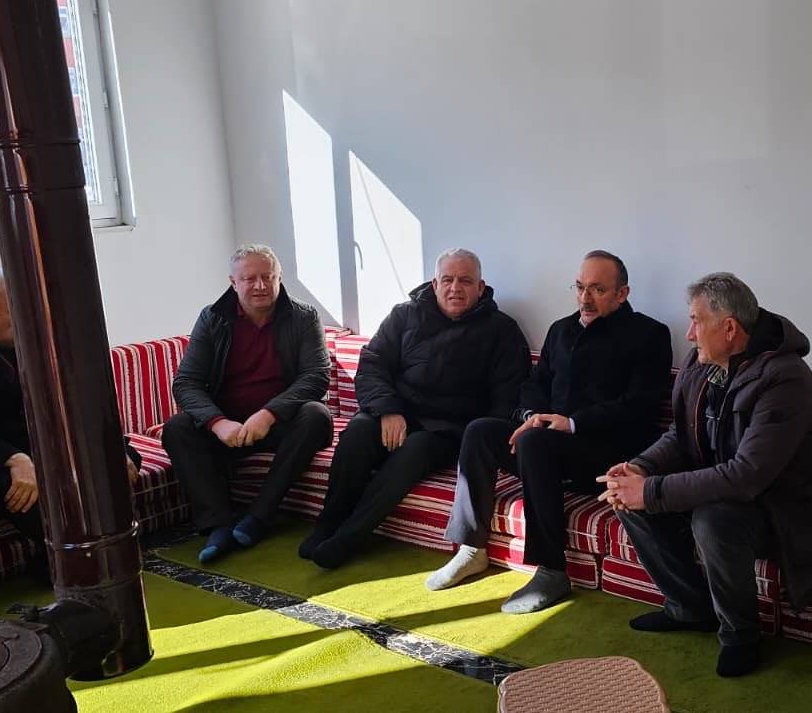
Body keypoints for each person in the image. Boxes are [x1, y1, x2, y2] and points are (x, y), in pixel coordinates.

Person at [599, 272, 812, 678]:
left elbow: (747, 475)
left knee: (711, 518)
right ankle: (689, 608)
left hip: (795, 510)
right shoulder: (702, 362)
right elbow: (680, 435)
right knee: (626, 499)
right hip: (740, 496)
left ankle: (740, 636)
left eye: (695, 322)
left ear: (730, 328)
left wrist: (650, 490)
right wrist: (639, 468)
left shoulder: (785, 378)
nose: (689, 335)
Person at [426, 251, 673, 613]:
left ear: (622, 294)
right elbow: (534, 384)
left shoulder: (649, 335)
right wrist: (532, 415)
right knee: (480, 431)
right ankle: (471, 548)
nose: (585, 298)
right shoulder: (561, 330)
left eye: (598, 289)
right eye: (580, 287)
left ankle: (551, 570)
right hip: (546, 449)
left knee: (536, 442)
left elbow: (640, 407)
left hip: (607, 456)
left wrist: (571, 423)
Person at [301, 248, 531, 569]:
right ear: (434, 284)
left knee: (415, 449)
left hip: (449, 432)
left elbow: (506, 398)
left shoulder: (502, 331)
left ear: (480, 288)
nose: (455, 288)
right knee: (358, 430)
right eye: (447, 280)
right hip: (397, 413)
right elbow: (372, 365)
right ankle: (328, 524)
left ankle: (350, 538)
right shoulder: (404, 315)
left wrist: (478, 443)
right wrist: (387, 409)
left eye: (465, 281)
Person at [0, 269, 141, 576]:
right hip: (0, 456)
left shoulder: (46, 342)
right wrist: (13, 458)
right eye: (16, 307)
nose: (30, 315)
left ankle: (108, 547)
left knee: (121, 460)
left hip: (54, 447)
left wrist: (113, 446)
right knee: (16, 486)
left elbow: (82, 405)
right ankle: (69, 561)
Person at [162, 245, 333, 563]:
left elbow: (316, 376)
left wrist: (269, 414)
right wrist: (217, 422)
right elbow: (186, 382)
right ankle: (218, 524)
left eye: (268, 277)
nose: (260, 285)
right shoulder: (212, 318)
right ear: (233, 282)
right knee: (176, 428)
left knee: (317, 415)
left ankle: (258, 517)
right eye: (249, 279)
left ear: (279, 277)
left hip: (282, 422)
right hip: (229, 425)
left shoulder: (304, 317)